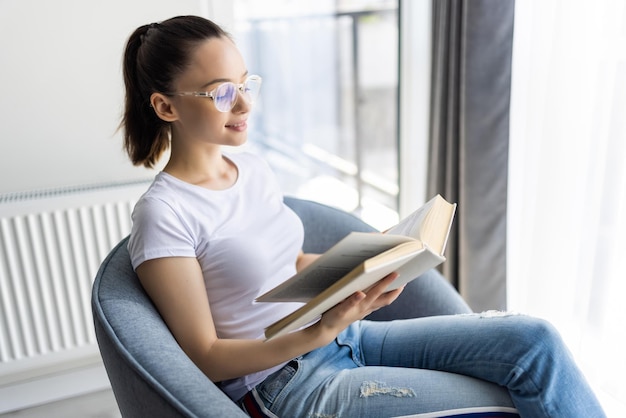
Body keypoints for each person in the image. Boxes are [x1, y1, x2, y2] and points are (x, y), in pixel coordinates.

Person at [121, 15, 606, 417]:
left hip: (347, 337)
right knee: (510, 403)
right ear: (165, 106)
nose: (246, 103)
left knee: (532, 342)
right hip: (283, 384)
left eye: (248, 83)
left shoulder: (249, 165)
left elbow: (288, 266)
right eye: (222, 93)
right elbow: (204, 359)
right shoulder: (163, 214)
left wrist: (370, 260)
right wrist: (319, 332)